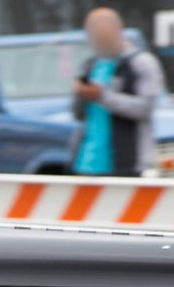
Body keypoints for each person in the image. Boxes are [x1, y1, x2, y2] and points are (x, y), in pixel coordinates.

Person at [70, 8, 164, 177]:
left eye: (103, 36)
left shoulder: (141, 63)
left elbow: (145, 109)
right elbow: (78, 115)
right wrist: (80, 94)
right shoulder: (90, 65)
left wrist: (101, 96)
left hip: (127, 165)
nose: (99, 41)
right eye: (94, 36)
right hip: (87, 164)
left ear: (118, 31)